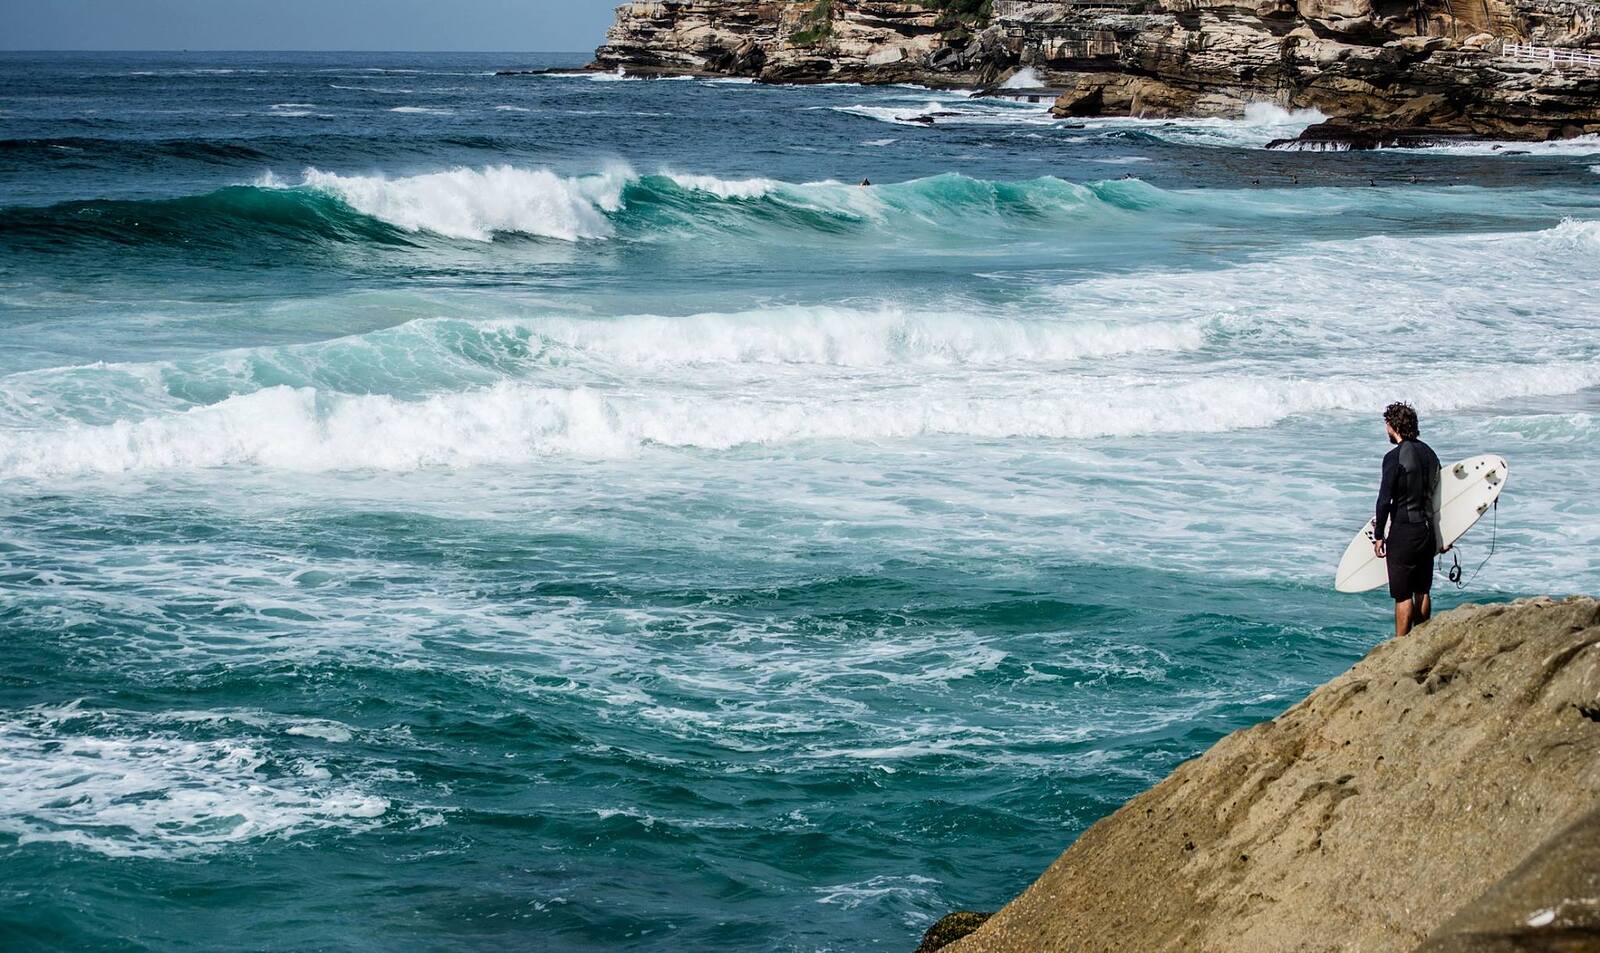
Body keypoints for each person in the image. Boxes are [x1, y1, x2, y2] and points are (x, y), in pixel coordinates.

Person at [1372, 402, 1445, 637]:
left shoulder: (1394, 457)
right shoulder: (1431, 455)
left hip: (1404, 531)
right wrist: (1445, 534)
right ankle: (1422, 640)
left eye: (1387, 425)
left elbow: (1384, 500)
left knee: (1403, 594)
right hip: (1426, 531)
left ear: (1393, 426)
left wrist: (1379, 535)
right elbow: (1439, 499)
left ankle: (1400, 648)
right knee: (1422, 590)